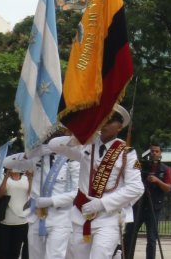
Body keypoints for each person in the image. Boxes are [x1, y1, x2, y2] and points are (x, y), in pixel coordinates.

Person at [45, 106, 144, 259]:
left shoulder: (127, 153)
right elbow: (53, 145)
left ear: (119, 127)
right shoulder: (87, 145)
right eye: (102, 120)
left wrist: (102, 203)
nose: (104, 124)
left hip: (108, 218)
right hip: (81, 215)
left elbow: (136, 188)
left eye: (109, 121)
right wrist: (78, 137)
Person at [23, 141, 79, 259]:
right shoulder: (38, 157)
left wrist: (52, 201)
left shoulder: (72, 160)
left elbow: (77, 192)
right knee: (35, 256)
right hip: (36, 216)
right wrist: (33, 152)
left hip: (60, 218)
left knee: (54, 256)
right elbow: (11, 163)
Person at [123, 143, 171, 259]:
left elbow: (168, 188)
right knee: (130, 234)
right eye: (152, 151)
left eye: (157, 151)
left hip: (153, 207)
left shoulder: (165, 169)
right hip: (138, 205)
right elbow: (131, 169)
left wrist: (157, 180)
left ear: (160, 153)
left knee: (151, 237)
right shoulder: (141, 165)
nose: (154, 153)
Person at [0, 161, 32, 259]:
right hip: (5, 221)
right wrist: (6, 177)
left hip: (21, 221)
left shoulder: (25, 179)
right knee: (2, 251)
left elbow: (31, 194)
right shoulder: (3, 178)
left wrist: (30, 178)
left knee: (15, 251)